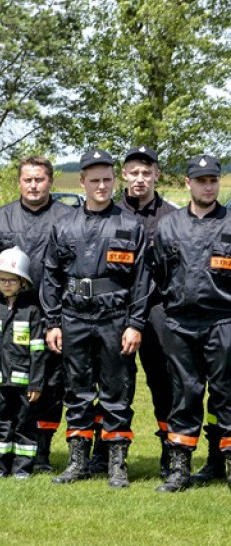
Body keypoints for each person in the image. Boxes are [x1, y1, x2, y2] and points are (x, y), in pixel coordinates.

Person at [42, 148, 148, 488]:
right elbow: (50, 277)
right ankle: (78, 461)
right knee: (77, 390)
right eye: (94, 180)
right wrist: (53, 322)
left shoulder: (130, 226)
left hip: (115, 318)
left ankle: (116, 463)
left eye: (107, 179)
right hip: (73, 317)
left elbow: (143, 279)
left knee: (118, 390)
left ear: (114, 181)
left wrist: (135, 324)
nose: (101, 186)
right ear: (83, 182)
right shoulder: (64, 225)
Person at [0, 156, 73, 471]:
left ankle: (41, 452)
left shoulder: (66, 217)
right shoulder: (2, 218)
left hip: (51, 313)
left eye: (40, 179)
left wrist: (55, 316)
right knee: (3, 380)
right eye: (28, 179)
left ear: (50, 181)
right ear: (19, 182)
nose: (34, 185)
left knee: (49, 384)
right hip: (10, 313)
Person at [152, 155, 231, 492]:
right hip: (180, 323)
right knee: (184, 393)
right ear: (188, 184)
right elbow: (157, 274)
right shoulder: (168, 226)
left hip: (223, 320)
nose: (208, 186)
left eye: (213, 180)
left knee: (226, 395)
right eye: (201, 180)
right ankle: (180, 468)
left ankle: (223, 463)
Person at [116, 146, 179, 477]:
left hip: (157, 311)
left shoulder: (171, 216)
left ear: (157, 175)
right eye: (134, 172)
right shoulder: (110, 214)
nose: (140, 179)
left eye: (146, 172)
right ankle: (110, 453)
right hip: (115, 308)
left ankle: (171, 449)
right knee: (114, 383)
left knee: (162, 380)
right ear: (124, 175)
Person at [0, 248, 46, 479]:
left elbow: (37, 351)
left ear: (23, 282)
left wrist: (35, 384)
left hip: (24, 382)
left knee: (25, 425)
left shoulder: (31, 312)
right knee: (0, 424)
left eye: (11, 280)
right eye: (2, 279)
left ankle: (23, 469)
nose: (6, 284)